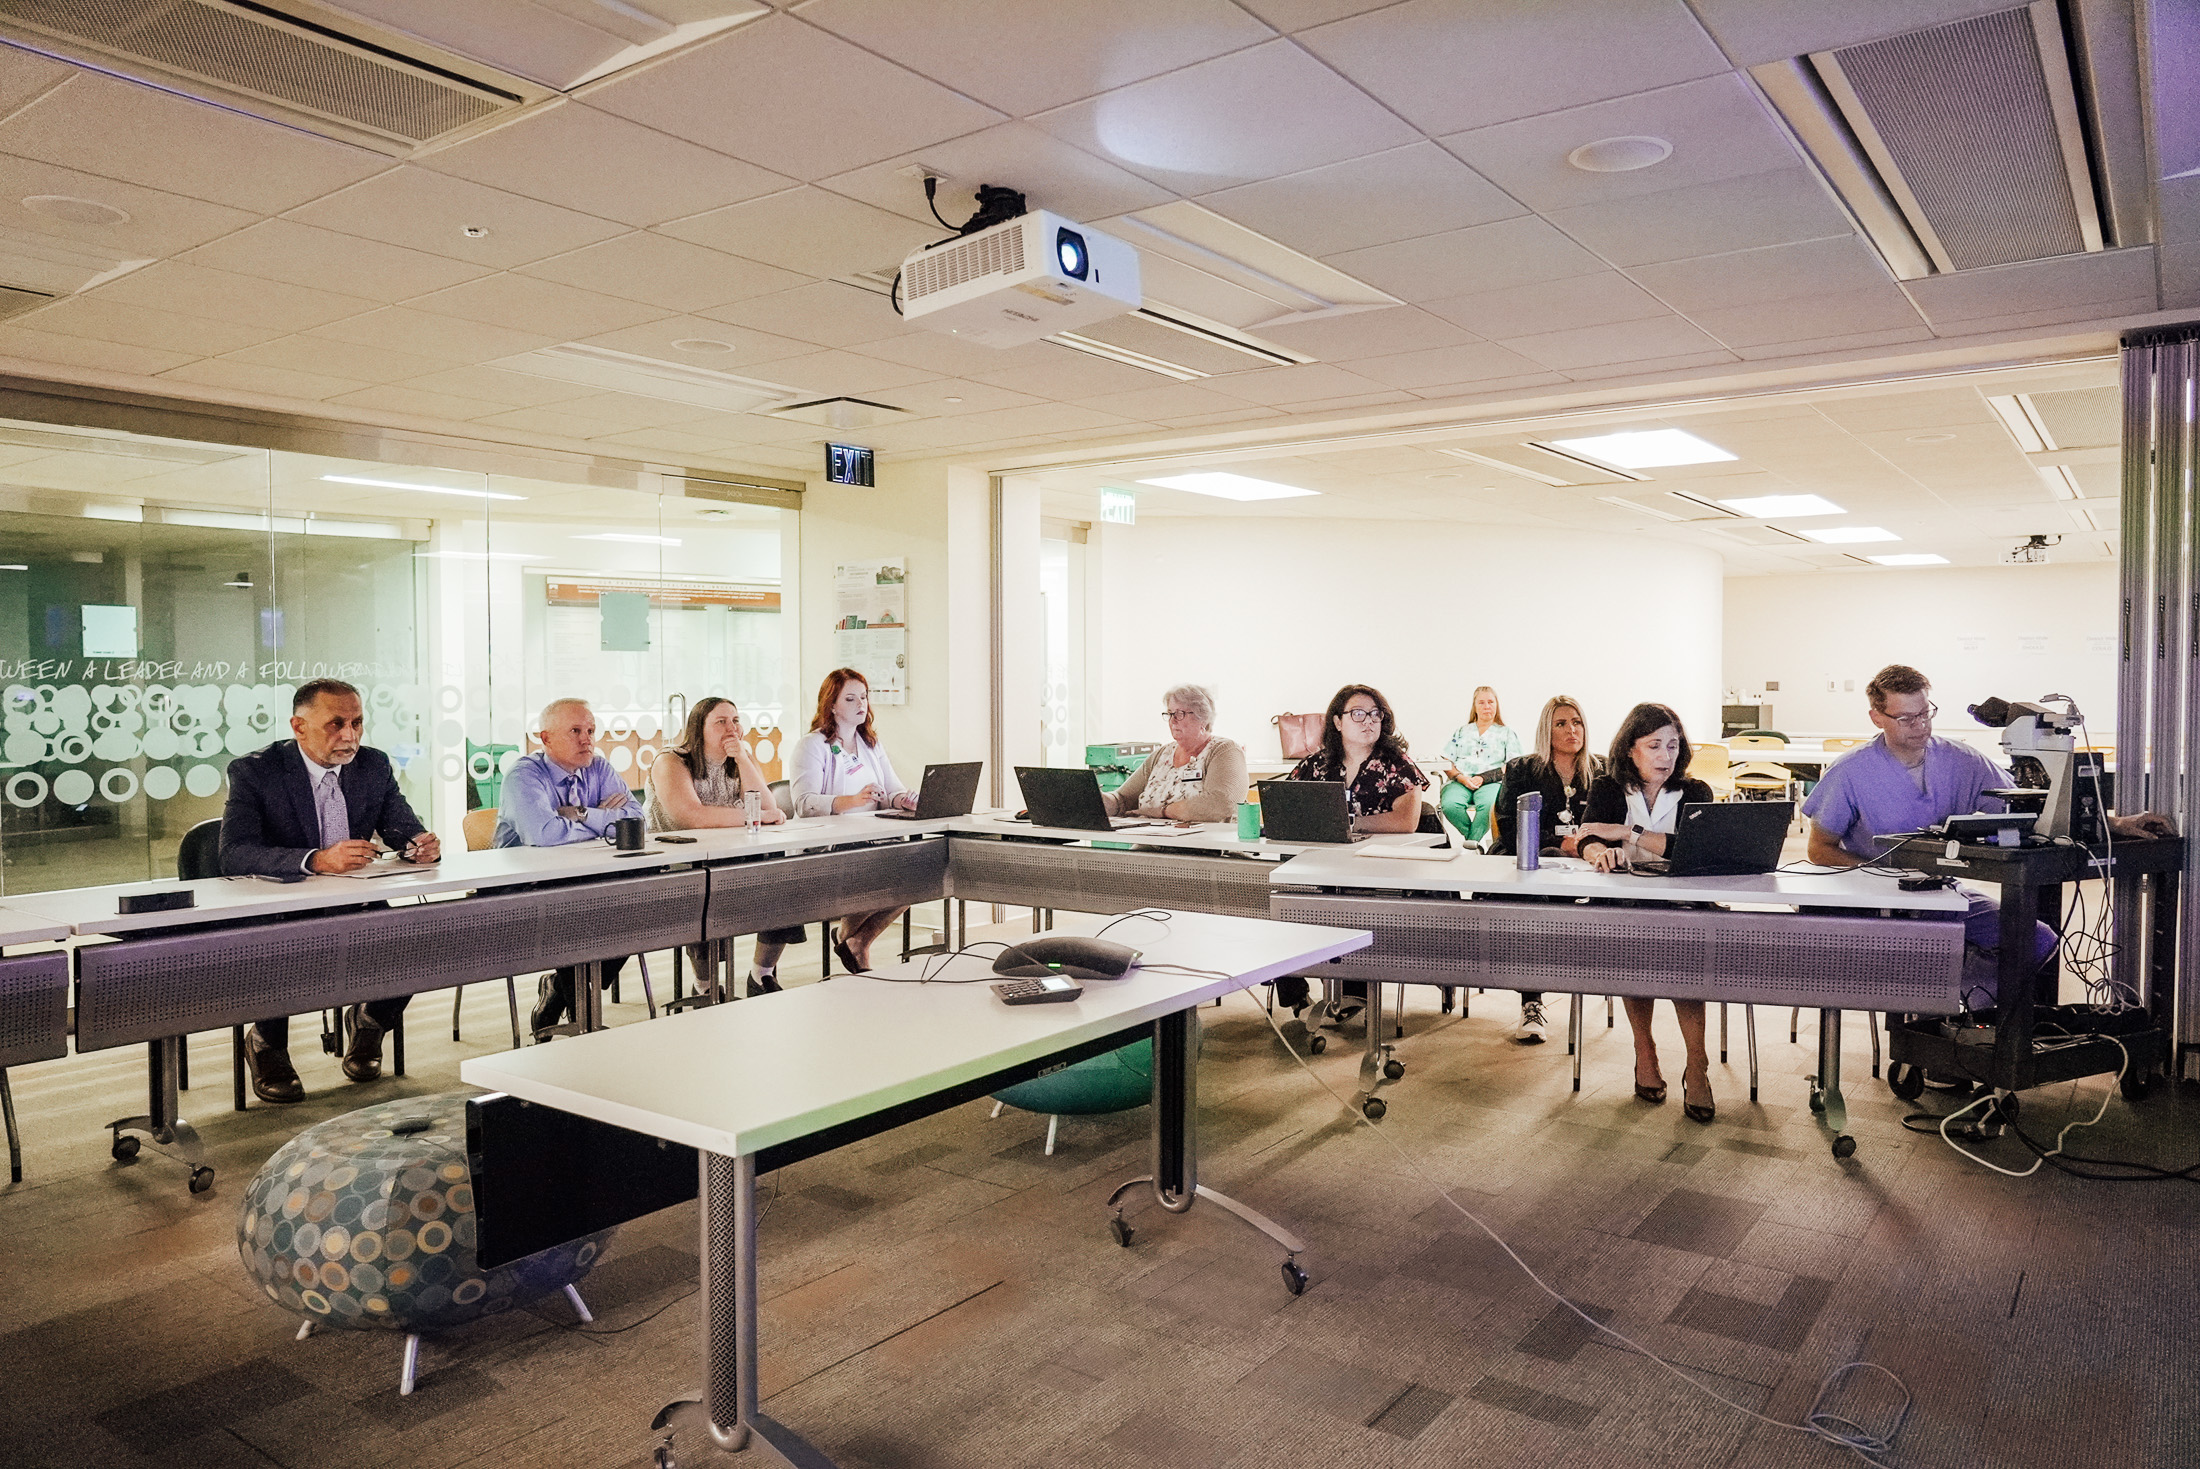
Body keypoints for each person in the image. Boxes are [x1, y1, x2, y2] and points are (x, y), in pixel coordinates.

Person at [1801, 664, 2175, 1014]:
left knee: (2036, 940)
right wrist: (1886, 876)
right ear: (1877, 718)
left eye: (1926, 713)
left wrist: (2116, 822)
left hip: (1940, 891)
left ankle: (1965, 1007)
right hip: (1878, 899)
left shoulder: (1959, 760)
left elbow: (2032, 811)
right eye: (1906, 718)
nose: (1920, 726)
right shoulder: (1851, 772)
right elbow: (1819, 850)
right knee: (1932, 951)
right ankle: (1941, 1024)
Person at [220, 677, 440, 1102]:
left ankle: (370, 1022)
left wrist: (419, 845)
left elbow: (401, 827)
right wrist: (315, 859)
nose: (350, 735)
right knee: (285, 946)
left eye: (357, 723)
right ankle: (267, 1042)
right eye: (335, 724)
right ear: (298, 727)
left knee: (419, 939)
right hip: (281, 906)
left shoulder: (372, 765)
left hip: (354, 899)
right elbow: (234, 853)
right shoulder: (255, 771)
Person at [1576, 702, 1721, 1123]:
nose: (1665, 756)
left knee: (1685, 963)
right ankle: (1646, 1051)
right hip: (1628, 901)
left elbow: (1690, 851)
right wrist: (1599, 852)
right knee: (1632, 957)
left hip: (1684, 902)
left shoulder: (1695, 792)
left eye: (1673, 746)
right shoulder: (1607, 788)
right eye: (1654, 745)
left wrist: (1628, 832)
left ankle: (1697, 1065)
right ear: (1630, 750)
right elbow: (1588, 835)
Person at [1272, 684, 1427, 1014]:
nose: (1368, 721)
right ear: (1338, 722)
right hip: (1321, 862)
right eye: (1357, 714)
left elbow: (1406, 821)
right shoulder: (1316, 765)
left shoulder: (1397, 764)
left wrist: (1349, 823)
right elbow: (1285, 806)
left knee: (1353, 902)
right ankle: (1296, 992)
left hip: (1378, 867)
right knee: (1280, 900)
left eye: (1375, 714)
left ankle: (1354, 991)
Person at [497, 697, 644, 1036]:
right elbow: (544, 834)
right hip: (523, 889)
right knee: (573, 908)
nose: (586, 740)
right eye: (575, 731)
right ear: (545, 739)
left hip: (585, 878)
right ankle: (584, 1017)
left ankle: (561, 990)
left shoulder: (599, 767)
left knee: (640, 900)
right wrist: (606, 819)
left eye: (591, 730)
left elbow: (636, 822)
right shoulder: (523, 775)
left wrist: (580, 814)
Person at [646, 695, 805, 997]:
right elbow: (692, 817)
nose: (731, 728)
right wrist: (755, 816)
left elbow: (768, 807)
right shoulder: (671, 760)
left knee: (783, 875)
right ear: (698, 728)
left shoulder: (741, 756)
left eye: (735, 720)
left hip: (731, 854)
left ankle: (761, 974)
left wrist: (743, 760)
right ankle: (704, 985)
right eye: (720, 722)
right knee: (706, 885)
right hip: (675, 860)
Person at [1487, 695, 1600, 1044]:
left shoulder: (1602, 771)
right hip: (1528, 861)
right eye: (1561, 724)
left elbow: (1614, 821)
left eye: (1577, 722)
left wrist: (1586, 846)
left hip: (1586, 866)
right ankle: (1532, 1001)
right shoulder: (1522, 769)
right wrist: (1563, 844)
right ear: (1545, 730)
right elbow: (1510, 826)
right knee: (1536, 894)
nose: (1572, 730)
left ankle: (1548, 978)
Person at [788, 668, 916, 972]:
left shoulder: (870, 744)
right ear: (831, 704)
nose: (861, 703)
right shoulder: (811, 746)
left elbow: (891, 788)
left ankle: (855, 940)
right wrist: (852, 801)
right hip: (827, 848)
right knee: (883, 876)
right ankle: (851, 939)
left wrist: (903, 799)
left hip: (871, 839)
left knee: (919, 875)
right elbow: (804, 804)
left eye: (864, 696)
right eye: (850, 698)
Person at [1102, 684, 1248, 823]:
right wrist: (1097, 800)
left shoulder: (1224, 751)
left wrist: (1163, 811)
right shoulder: (1162, 754)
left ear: (1202, 717)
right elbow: (1122, 800)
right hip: (1152, 841)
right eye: (1169, 714)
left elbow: (1222, 804)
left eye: (1179, 714)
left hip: (1203, 845)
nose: (1172, 721)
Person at [1440, 685, 1521, 845]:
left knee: (1490, 806)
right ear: (1475, 707)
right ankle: (1473, 842)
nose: (1486, 706)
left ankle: (1471, 845)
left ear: (1496, 706)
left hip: (1491, 783)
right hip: (1460, 781)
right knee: (1450, 805)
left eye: (1490, 702)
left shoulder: (1506, 733)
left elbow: (1513, 765)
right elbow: (1447, 760)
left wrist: (1484, 778)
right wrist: (1462, 778)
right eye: (1481, 703)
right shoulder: (1462, 732)